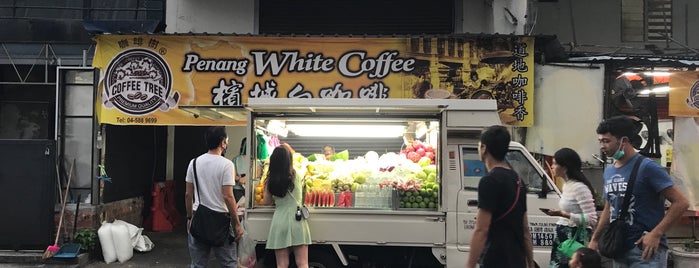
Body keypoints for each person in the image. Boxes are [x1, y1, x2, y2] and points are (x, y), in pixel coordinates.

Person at [588, 116, 689, 267]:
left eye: (606, 141)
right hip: (618, 247)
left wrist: (656, 233)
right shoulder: (609, 171)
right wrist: (595, 239)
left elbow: (681, 203)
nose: (602, 146)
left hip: (645, 251)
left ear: (624, 140)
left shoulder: (648, 168)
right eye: (600, 141)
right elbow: (609, 208)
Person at [466, 125, 534, 268]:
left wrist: (469, 265)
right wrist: (530, 262)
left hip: (495, 259)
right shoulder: (518, 180)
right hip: (517, 260)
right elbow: (525, 230)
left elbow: (481, 229)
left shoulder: (489, 181)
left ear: (484, 149)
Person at [184, 126, 244, 268]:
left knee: (198, 264)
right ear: (223, 143)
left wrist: (189, 217)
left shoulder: (193, 163)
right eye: (227, 141)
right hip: (221, 222)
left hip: (199, 218)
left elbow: (188, 194)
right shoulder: (227, 165)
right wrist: (236, 224)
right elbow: (228, 196)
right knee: (229, 264)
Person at [543, 148, 599, 268]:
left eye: (555, 163)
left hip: (574, 238)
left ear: (565, 167)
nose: (552, 167)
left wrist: (564, 214)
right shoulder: (567, 185)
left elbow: (592, 218)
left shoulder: (579, 188)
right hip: (564, 238)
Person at [263, 145, 312, 268]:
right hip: (297, 219)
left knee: (282, 264)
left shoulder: (270, 180)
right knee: (302, 263)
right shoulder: (297, 175)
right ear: (289, 160)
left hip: (280, 220)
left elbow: (266, 201)